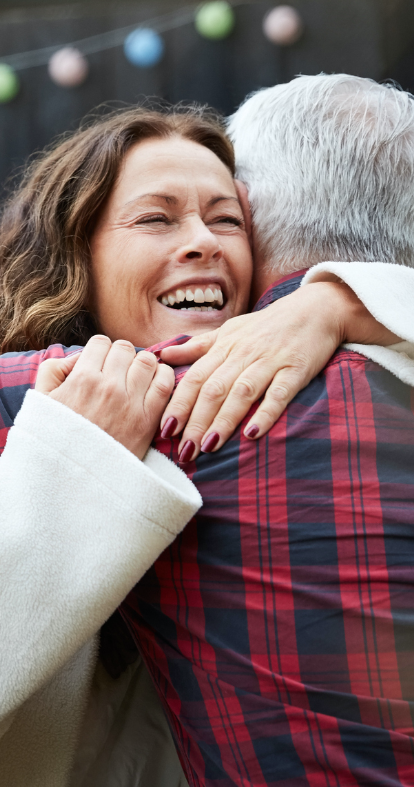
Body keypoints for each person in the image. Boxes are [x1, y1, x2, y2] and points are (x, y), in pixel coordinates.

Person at [0, 97, 413, 787]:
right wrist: (74, 457)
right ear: (76, 257)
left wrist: (336, 298)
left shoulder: (287, 389)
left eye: (228, 219)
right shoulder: (33, 398)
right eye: (156, 218)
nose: (204, 241)